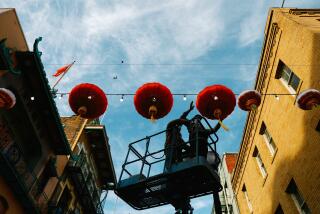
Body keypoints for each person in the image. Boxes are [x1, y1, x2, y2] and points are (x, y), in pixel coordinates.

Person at [164, 102, 194, 171]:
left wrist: (193, 149)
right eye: (178, 126)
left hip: (178, 152)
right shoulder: (169, 129)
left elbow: (185, 146)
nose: (179, 127)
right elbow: (179, 120)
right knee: (169, 166)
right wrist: (186, 122)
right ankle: (168, 170)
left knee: (180, 164)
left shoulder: (179, 138)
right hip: (170, 149)